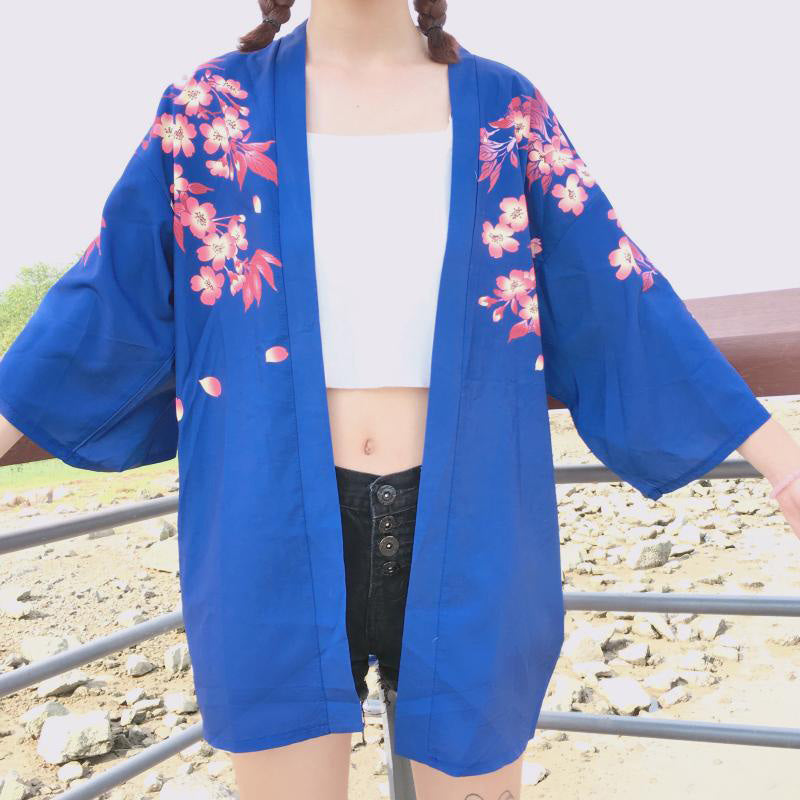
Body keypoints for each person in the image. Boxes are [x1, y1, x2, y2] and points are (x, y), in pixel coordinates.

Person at [2, 2, 800, 798]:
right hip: (267, 530)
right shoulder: (208, 109)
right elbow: (107, 293)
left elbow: (616, 293)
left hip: (476, 527)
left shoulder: (506, 109)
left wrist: (782, 459)